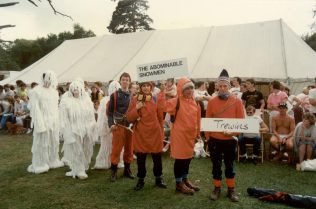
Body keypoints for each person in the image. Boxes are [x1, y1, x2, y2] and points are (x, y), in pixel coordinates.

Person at [205, 69, 245, 202]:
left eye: (225, 86)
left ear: (229, 87)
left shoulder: (237, 102)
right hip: (215, 140)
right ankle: (216, 188)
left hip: (230, 140)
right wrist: (208, 138)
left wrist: (233, 132)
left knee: (230, 165)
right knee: (216, 165)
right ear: (217, 86)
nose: (222, 88)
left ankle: (231, 189)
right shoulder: (211, 101)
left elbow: (241, 122)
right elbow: (207, 121)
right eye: (220, 86)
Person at [127, 81, 167, 190]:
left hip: (155, 133)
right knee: (141, 158)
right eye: (143, 86)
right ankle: (141, 180)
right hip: (141, 134)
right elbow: (129, 117)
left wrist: (160, 131)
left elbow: (160, 117)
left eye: (147, 86)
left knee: (157, 158)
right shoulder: (136, 99)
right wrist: (137, 108)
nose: (145, 88)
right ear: (140, 87)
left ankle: (158, 178)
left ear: (151, 87)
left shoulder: (155, 99)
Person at [164, 77, 201, 195]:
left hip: (190, 136)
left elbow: (197, 119)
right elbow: (163, 106)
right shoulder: (176, 101)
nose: (190, 90)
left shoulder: (195, 102)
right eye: (187, 88)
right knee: (180, 160)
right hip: (179, 135)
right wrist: (163, 92)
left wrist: (197, 133)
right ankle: (179, 184)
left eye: (191, 88)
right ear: (181, 89)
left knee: (187, 159)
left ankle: (185, 180)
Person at [27, 71, 64, 174]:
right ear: (43, 79)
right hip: (42, 121)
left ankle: (53, 160)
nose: (49, 82)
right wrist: (39, 124)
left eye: (51, 80)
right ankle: (40, 163)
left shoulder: (54, 92)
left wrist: (58, 121)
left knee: (53, 142)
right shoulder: (36, 91)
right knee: (41, 143)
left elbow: (55, 108)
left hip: (53, 121)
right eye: (47, 79)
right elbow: (35, 109)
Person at [59, 80, 96, 179]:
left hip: (86, 129)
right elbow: (64, 119)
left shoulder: (87, 101)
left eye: (78, 89)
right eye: (74, 89)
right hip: (74, 130)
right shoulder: (66, 102)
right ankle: (79, 170)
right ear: (71, 90)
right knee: (77, 150)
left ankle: (81, 167)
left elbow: (91, 116)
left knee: (85, 149)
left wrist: (92, 126)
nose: (76, 91)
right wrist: (67, 132)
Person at [107, 72, 134, 182]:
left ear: (129, 82)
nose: (125, 81)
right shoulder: (114, 95)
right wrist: (111, 124)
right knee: (116, 149)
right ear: (120, 81)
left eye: (127, 80)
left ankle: (127, 170)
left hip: (130, 126)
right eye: (123, 79)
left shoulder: (134, 96)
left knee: (129, 148)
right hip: (118, 126)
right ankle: (113, 171)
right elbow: (109, 112)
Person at [93, 80, 124, 169]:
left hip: (118, 126)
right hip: (107, 127)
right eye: (113, 88)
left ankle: (117, 161)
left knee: (117, 145)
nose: (114, 90)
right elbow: (102, 116)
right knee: (107, 144)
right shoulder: (104, 100)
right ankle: (105, 161)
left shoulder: (120, 100)